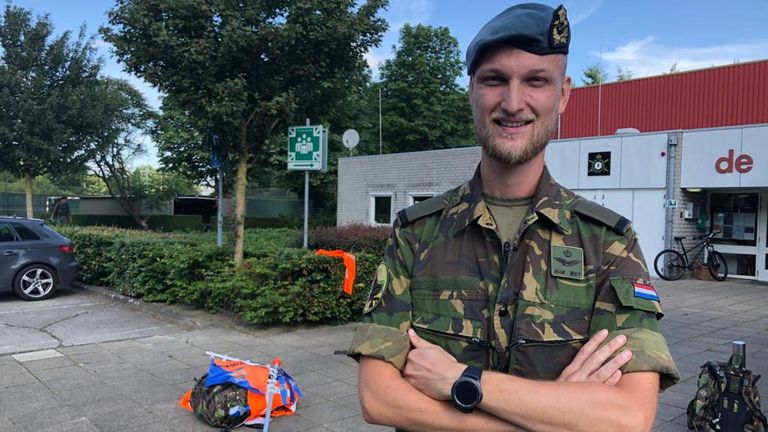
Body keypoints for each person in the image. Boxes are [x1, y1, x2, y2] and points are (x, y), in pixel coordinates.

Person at [348, 3, 680, 431]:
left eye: (536, 81)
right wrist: (558, 415)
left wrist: (459, 380)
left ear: (562, 96)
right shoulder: (417, 234)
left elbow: (627, 417)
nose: (512, 102)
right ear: (471, 90)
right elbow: (379, 398)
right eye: (494, 80)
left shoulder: (607, 243)